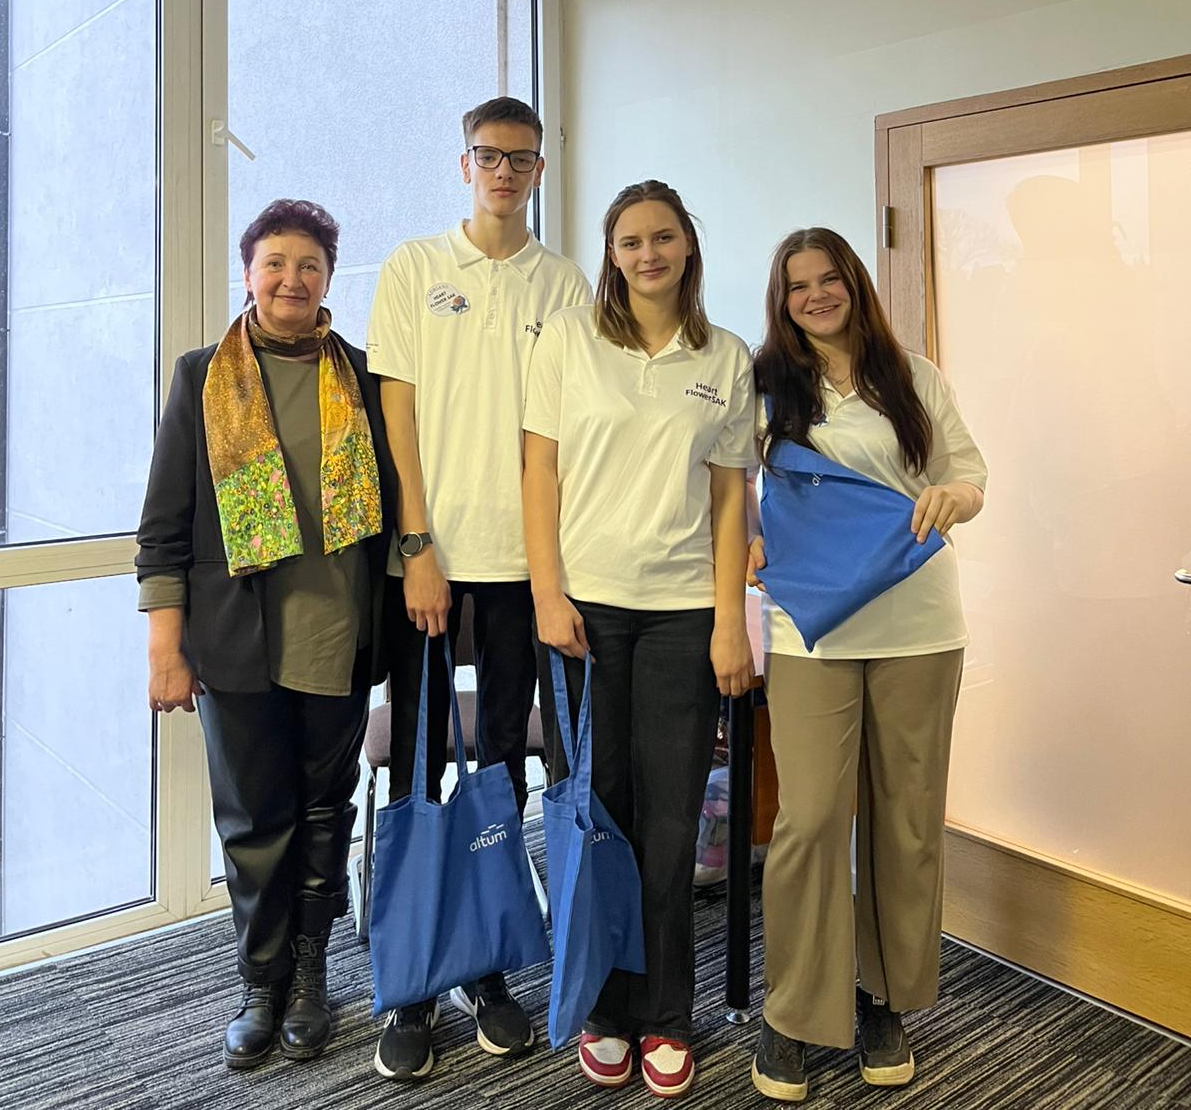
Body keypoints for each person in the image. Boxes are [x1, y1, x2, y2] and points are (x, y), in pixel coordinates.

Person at [137, 199, 396, 1071]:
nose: (292, 279)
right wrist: (166, 648)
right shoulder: (201, 377)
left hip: (336, 630)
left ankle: (313, 975)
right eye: (276, 262)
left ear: (329, 279)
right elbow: (164, 528)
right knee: (253, 820)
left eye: (310, 265)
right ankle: (261, 982)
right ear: (248, 272)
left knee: (324, 811)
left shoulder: (364, 378)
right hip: (235, 636)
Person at [365, 95, 591, 1081]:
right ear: (464, 164)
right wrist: (417, 544)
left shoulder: (565, 283)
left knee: (500, 767)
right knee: (418, 772)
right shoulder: (415, 268)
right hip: (431, 562)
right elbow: (397, 414)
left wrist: (554, 571)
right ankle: (412, 980)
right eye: (488, 156)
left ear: (539, 170)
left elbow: (573, 427)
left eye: (520, 159)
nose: (504, 172)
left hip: (522, 567)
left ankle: (486, 964)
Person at [523, 179, 756, 1099]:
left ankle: (666, 1014)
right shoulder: (568, 341)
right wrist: (546, 593)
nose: (647, 254)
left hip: (683, 615)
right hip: (584, 612)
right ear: (611, 254)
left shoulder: (724, 356)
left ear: (687, 246)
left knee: (669, 822)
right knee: (599, 813)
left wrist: (729, 620)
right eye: (630, 241)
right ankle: (604, 1007)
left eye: (662, 238)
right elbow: (539, 472)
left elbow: (731, 496)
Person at [747, 227, 986, 1102]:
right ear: (782, 299)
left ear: (854, 282)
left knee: (907, 820)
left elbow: (970, 477)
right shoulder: (763, 384)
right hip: (810, 631)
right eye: (798, 285)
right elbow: (722, 484)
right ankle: (792, 1011)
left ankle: (883, 999)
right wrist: (745, 543)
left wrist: (951, 496)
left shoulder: (913, 376)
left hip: (919, 624)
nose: (816, 295)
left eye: (829, 279)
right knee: (810, 818)